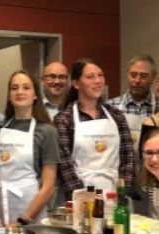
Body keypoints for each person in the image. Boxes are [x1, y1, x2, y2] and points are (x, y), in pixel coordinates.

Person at [53, 58, 136, 197]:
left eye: (100, 75)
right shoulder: (64, 119)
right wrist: (81, 195)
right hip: (80, 194)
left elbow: (128, 155)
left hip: (115, 191)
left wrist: (124, 188)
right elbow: (63, 163)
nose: (98, 81)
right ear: (76, 83)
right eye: (90, 77)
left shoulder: (116, 115)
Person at [0, 70, 60, 225]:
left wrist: (24, 219)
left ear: (35, 95)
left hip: (31, 213)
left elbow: (48, 186)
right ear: (9, 95)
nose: (20, 92)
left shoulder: (46, 131)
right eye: (14, 88)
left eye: (26, 87)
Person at [107, 54, 159, 158]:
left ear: (153, 77)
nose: (137, 80)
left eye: (143, 76)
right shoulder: (110, 107)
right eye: (133, 75)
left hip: (153, 166)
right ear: (127, 74)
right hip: (121, 169)